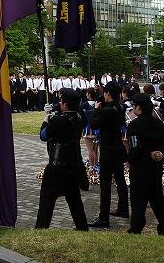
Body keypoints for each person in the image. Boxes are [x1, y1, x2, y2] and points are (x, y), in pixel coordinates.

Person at [35, 88, 88, 231]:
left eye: (61, 101)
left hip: (57, 164)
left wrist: (46, 119)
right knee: (74, 199)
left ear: (65, 104)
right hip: (74, 163)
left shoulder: (57, 120)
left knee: (47, 199)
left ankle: (41, 227)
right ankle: (82, 227)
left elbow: (43, 136)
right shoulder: (79, 117)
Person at [125, 93, 164, 235]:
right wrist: (160, 153)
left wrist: (130, 160)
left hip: (139, 166)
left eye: (134, 105)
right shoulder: (158, 122)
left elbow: (135, 147)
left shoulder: (134, 125)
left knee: (138, 199)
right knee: (157, 197)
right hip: (155, 166)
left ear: (138, 107)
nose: (133, 108)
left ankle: (136, 227)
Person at [89, 83, 129, 227]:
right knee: (120, 180)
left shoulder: (106, 110)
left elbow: (93, 124)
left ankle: (103, 217)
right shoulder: (119, 107)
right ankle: (123, 208)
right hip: (118, 148)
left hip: (108, 149)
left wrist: (96, 110)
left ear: (108, 93)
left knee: (105, 185)